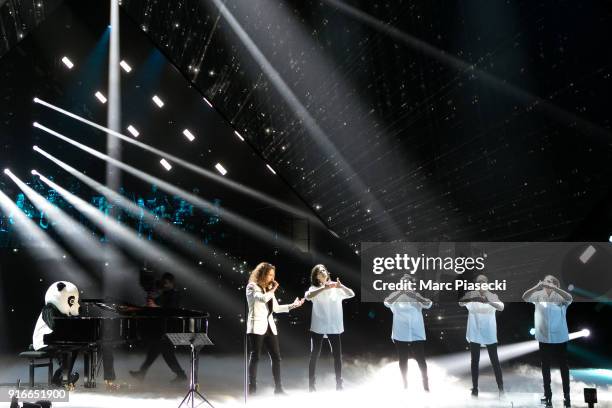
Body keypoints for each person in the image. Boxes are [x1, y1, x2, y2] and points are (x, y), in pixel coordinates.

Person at [246, 262, 304, 395]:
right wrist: (272, 290)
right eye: (270, 274)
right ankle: (252, 387)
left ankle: (278, 388)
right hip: (256, 327)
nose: (272, 278)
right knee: (255, 357)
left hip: (270, 327)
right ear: (262, 274)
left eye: (273, 275)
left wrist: (294, 305)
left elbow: (276, 308)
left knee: (276, 357)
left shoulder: (268, 290)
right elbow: (261, 299)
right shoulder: (252, 287)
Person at [523, 275, 573, 408]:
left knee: (563, 365)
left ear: (555, 284)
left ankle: (566, 395)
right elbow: (525, 297)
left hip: (559, 335)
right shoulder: (539, 294)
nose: (547, 283)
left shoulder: (560, 296)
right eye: (546, 281)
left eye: (550, 281)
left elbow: (570, 298)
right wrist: (536, 287)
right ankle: (547, 394)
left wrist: (555, 289)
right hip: (544, 336)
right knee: (545, 366)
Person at [130, 272, 188, 383]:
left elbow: (171, 310)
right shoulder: (165, 294)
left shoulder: (175, 294)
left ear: (172, 283)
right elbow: (154, 304)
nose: (164, 285)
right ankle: (142, 373)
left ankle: (180, 375)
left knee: (164, 353)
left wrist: (155, 305)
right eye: (163, 283)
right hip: (163, 328)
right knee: (157, 351)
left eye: (166, 283)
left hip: (170, 328)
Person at [305, 264, 354, 392]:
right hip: (318, 326)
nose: (323, 272)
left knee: (337, 355)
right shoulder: (314, 288)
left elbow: (351, 294)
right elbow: (308, 296)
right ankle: (311, 385)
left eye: (324, 270)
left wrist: (341, 286)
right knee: (314, 354)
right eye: (320, 271)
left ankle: (339, 384)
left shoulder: (335, 287)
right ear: (316, 276)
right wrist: (323, 288)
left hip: (333, 326)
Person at [459, 274, 504, 397]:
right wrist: (472, 298)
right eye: (479, 282)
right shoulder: (472, 294)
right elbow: (461, 303)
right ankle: (475, 389)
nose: (481, 284)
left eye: (483, 282)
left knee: (495, 361)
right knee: (474, 361)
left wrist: (489, 302)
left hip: (489, 332)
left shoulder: (492, 295)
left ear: (487, 283)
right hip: (475, 332)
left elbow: (501, 307)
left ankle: (501, 390)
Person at [383, 274, 431, 391]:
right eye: (403, 282)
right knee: (403, 360)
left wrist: (414, 296)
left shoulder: (416, 295)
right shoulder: (395, 294)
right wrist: (400, 293)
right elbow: (387, 303)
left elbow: (428, 304)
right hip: (401, 333)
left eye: (407, 282)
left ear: (411, 284)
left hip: (416, 333)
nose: (405, 284)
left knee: (421, 359)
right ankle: (405, 385)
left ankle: (426, 386)